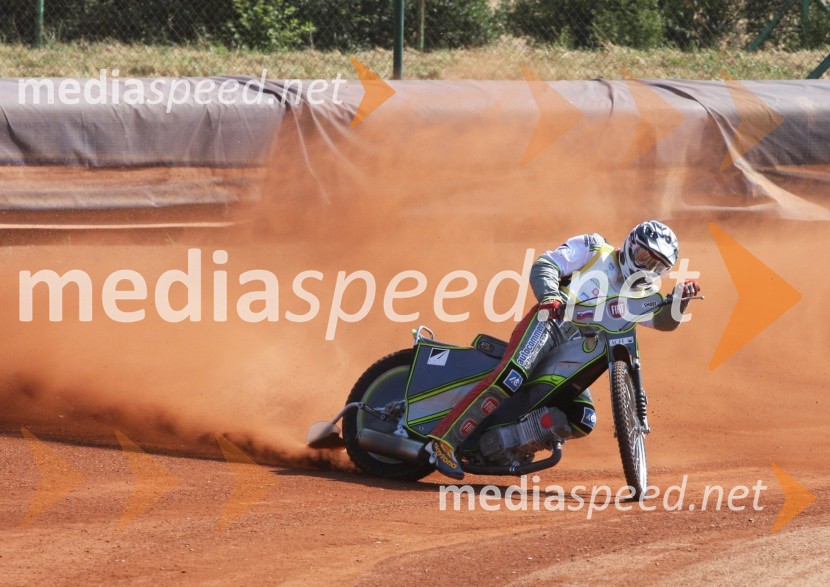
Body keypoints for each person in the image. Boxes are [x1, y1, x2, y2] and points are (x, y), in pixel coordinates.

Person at [425, 220, 701, 480]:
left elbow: (663, 322)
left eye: (657, 266)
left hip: (580, 349)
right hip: (552, 323)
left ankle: (504, 445)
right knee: (512, 376)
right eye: (644, 257)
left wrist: (680, 301)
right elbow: (546, 264)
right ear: (631, 245)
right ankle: (443, 442)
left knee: (583, 418)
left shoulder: (647, 293)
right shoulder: (594, 248)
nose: (646, 268)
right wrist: (550, 296)